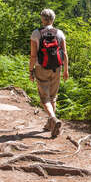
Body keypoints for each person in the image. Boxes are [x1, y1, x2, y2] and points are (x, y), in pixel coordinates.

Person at [29, 8, 69, 138]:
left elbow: (33, 55)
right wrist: (66, 70)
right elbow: (65, 54)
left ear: (42, 19)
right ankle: (50, 124)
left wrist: (31, 70)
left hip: (41, 67)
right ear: (53, 19)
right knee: (53, 97)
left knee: (44, 98)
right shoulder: (60, 33)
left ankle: (52, 118)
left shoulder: (36, 33)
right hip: (56, 68)